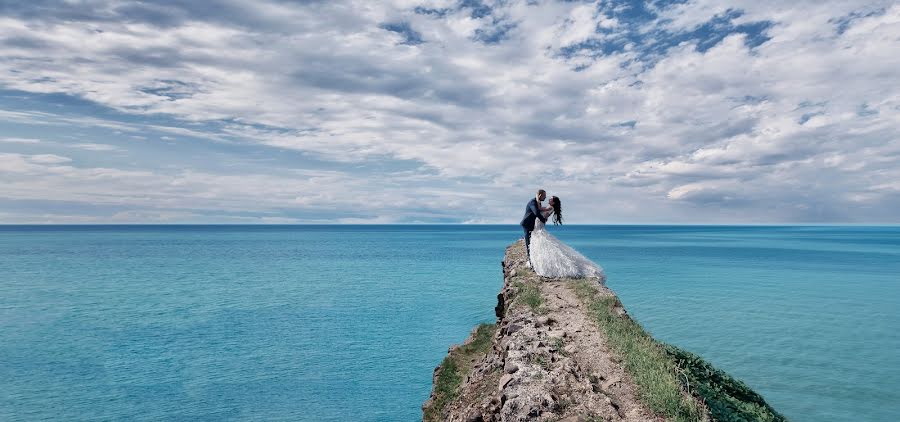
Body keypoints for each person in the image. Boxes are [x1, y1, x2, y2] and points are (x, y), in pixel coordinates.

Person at [528, 195, 606, 281]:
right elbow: (539, 209)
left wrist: (538, 204)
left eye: (550, 199)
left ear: (553, 202)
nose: (549, 199)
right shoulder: (550, 207)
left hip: (539, 227)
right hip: (538, 227)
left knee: (543, 246)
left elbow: (541, 213)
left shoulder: (550, 207)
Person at [519, 189, 548, 268]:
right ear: (540, 195)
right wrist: (543, 220)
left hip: (532, 225)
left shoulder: (538, 203)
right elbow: (536, 213)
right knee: (528, 243)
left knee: (533, 243)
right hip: (527, 224)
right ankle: (531, 263)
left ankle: (534, 261)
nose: (545, 197)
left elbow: (540, 211)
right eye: (544, 196)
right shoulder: (533, 202)